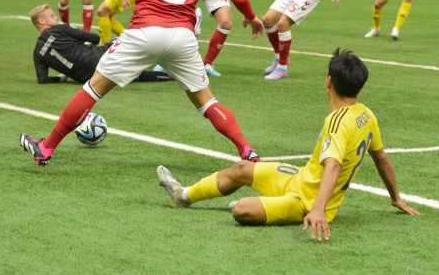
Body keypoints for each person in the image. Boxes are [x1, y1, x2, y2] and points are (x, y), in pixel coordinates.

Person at [20, 0, 265, 167]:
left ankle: (46, 148)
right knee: (207, 101)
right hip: (183, 37)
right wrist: (251, 17)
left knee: (93, 88)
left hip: (143, 32)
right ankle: (247, 150)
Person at [156, 49, 420, 240]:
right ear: (359, 89)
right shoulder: (367, 114)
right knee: (241, 169)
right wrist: (395, 198)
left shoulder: (337, 122)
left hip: (307, 202)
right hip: (301, 177)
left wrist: (317, 209)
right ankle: (182, 196)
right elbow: (381, 158)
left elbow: (333, 166)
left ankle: (269, 203)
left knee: (241, 210)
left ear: (328, 82)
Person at [30, 4, 173, 84]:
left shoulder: (37, 53)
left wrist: (61, 78)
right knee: (134, 36)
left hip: (88, 79)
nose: (55, 17)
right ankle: (171, 47)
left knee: (135, 75)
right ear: (42, 22)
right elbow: (93, 37)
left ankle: (169, 76)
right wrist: (83, 43)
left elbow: (42, 80)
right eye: (52, 16)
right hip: (100, 58)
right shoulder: (60, 29)